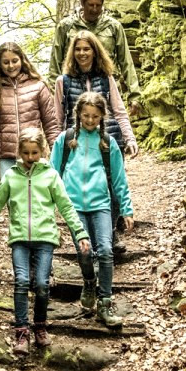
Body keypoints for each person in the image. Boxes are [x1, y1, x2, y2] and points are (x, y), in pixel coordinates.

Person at [0, 127, 88, 354]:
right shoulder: (11, 176)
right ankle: (21, 331)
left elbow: (66, 207)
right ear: (19, 152)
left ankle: (40, 326)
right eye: (26, 153)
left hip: (45, 238)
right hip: (20, 238)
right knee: (21, 281)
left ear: (42, 151)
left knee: (41, 284)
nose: (31, 158)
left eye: (35, 153)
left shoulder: (51, 176)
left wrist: (80, 233)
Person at [52, 92, 133, 327]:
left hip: (101, 204)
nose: (90, 120)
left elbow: (119, 178)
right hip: (73, 206)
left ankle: (105, 304)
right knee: (84, 252)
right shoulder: (65, 140)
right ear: (78, 114)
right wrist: (48, 207)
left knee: (106, 251)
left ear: (102, 117)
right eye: (86, 115)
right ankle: (89, 281)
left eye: (95, 116)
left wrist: (126, 209)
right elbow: (52, 174)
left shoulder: (108, 142)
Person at [47, 0, 140, 112]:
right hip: (73, 90)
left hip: (106, 89)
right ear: (82, 3)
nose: (95, 9)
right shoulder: (66, 26)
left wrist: (134, 94)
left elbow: (126, 62)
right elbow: (55, 62)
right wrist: (53, 94)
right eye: (91, 5)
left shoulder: (113, 27)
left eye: (98, 5)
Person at [0, 41, 61, 177]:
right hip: (6, 157)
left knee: (35, 196)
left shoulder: (38, 86)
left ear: (22, 60)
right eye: (6, 62)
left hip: (34, 154)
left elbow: (51, 123)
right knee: (12, 197)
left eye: (14, 61)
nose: (11, 66)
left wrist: (57, 151)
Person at [57, 31, 138, 158]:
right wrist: (57, 147)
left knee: (112, 178)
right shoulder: (63, 81)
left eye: (86, 49)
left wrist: (130, 139)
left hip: (108, 142)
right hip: (77, 145)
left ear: (94, 52)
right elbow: (58, 119)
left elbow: (119, 112)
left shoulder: (106, 78)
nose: (82, 53)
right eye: (77, 49)